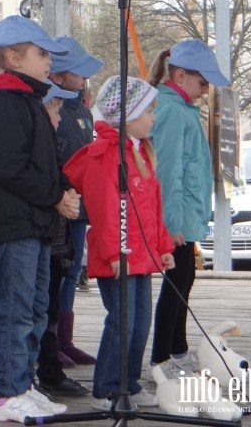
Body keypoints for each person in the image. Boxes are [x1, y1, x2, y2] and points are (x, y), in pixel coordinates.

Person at [0, 15, 80, 423]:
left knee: (33, 309)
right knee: (15, 311)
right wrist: (55, 197)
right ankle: (8, 393)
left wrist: (63, 188)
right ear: (14, 57)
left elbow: (44, 162)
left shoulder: (26, 100)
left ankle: (24, 383)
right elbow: (9, 167)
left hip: (36, 222)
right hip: (16, 224)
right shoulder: (6, 102)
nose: (49, 62)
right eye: (42, 54)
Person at [65, 76, 176, 412]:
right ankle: (107, 388)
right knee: (122, 321)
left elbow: (152, 207)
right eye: (148, 112)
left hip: (141, 255)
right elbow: (103, 210)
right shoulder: (105, 155)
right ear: (128, 116)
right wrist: (115, 253)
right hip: (120, 256)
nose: (153, 118)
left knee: (140, 321)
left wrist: (163, 247)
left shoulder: (139, 153)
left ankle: (129, 383)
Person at [147, 39, 231, 380]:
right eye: (202, 82)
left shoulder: (182, 109)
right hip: (176, 218)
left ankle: (178, 350)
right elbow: (167, 171)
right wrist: (170, 223)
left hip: (185, 216)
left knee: (186, 277)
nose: (205, 89)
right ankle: (161, 358)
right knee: (177, 282)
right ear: (179, 76)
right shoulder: (170, 111)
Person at [48, 37, 103, 368]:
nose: (84, 79)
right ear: (58, 74)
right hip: (60, 206)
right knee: (58, 273)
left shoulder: (82, 109)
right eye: (78, 73)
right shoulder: (52, 108)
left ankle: (65, 339)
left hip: (81, 207)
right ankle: (52, 339)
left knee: (72, 274)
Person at [34, 83, 90, 399]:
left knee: (51, 303)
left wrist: (68, 190)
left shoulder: (51, 142)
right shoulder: (39, 143)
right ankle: (42, 371)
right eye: (55, 110)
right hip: (41, 233)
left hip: (54, 235)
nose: (59, 117)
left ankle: (51, 365)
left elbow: (60, 174)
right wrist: (60, 195)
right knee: (40, 306)